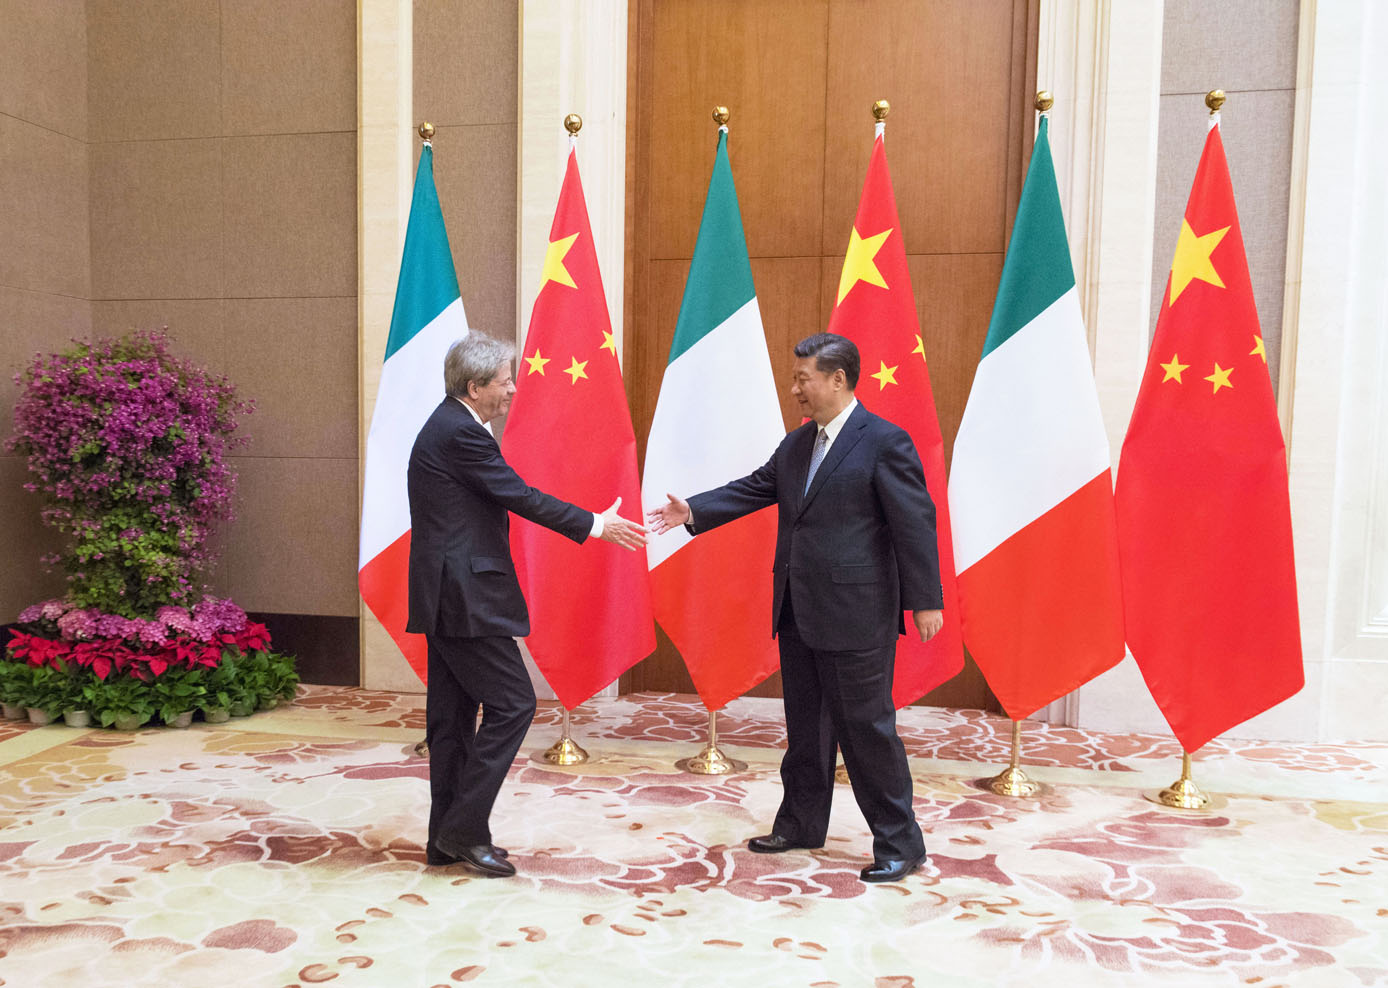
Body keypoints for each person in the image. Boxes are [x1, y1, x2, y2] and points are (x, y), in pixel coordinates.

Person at [647, 332, 943, 883]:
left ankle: (901, 844)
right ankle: (802, 823)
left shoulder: (885, 441)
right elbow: (757, 488)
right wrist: (694, 510)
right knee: (806, 729)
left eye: (803, 378)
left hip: (858, 615)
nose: (795, 388)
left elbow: (914, 524)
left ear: (838, 379)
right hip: (798, 610)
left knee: (867, 732)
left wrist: (925, 601)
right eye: (795, 377)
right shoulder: (797, 444)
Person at [407, 333, 646, 878]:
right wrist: (596, 524)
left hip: (447, 595)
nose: (513, 389)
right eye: (505, 380)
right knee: (514, 704)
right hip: (466, 598)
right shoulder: (463, 435)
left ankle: (445, 839)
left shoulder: (449, 426)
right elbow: (519, 495)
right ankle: (463, 831)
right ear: (476, 386)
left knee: (451, 720)